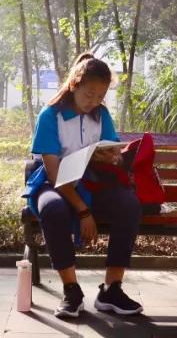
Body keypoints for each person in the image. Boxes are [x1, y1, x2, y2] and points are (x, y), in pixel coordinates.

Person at [23, 53, 143, 319]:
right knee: (52, 209)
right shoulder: (50, 116)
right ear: (74, 85)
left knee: (129, 205)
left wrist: (112, 156)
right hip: (55, 186)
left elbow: (114, 151)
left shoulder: (101, 115)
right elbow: (55, 176)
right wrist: (83, 211)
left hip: (92, 182)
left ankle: (112, 289)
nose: (94, 102)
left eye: (100, 96)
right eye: (89, 94)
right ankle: (71, 291)